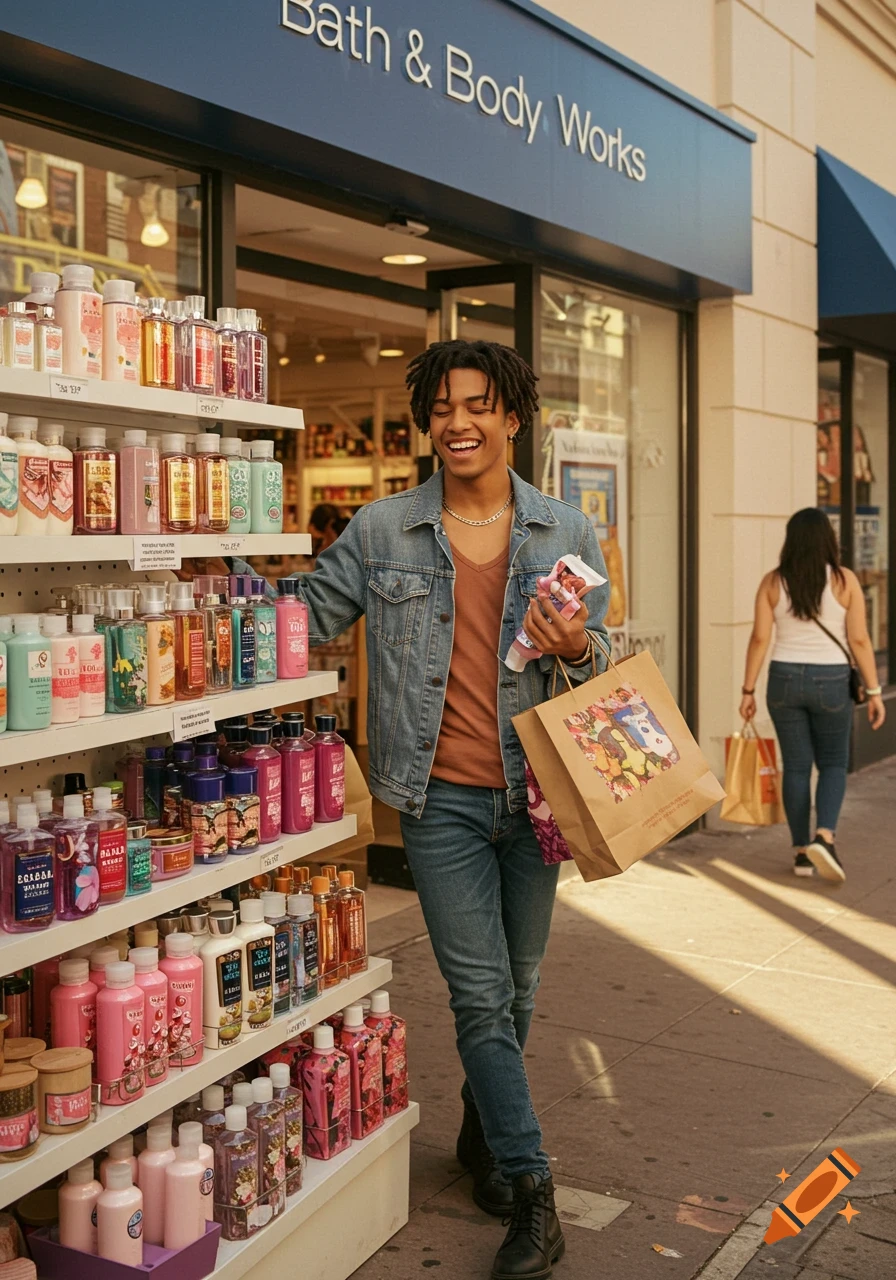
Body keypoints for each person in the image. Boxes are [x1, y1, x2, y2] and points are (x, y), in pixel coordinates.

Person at [239, 340, 610, 1279]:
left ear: (513, 417)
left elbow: (600, 667)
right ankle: (533, 1190)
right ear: (428, 420)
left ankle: (485, 1139)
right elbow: (304, 619)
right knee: (480, 996)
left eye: (479, 405)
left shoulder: (565, 531)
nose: (459, 422)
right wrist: (212, 597)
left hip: (538, 799)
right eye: (443, 407)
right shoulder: (382, 531)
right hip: (438, 802)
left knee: (518, 993)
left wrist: (576, 648)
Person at [739, 508, 885, 881]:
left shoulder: (773, 582)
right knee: (834, 763)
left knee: (797, 766)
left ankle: (801, 852)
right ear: (828, 540)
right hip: (832, 681)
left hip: (784, 679)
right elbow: (860, 640)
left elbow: (759, 639)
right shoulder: (844, 580)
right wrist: (874, 692)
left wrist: (748, 689)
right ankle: (825, 837)